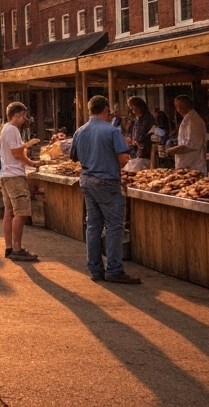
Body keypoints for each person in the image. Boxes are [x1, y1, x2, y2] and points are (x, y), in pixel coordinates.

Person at [71, 95, 141, 284]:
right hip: (106, 181)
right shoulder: (111, 130)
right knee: (113, 226)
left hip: (87, 180)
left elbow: (74, 157)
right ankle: (114, 270)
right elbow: (124, 159)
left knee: (93, 226)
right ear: (106, 111)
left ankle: (95, 269)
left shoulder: (80, 131)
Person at [0, 101, 43, 261]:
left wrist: (25, 145)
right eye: (24, 116)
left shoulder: (7, 129)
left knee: (9, 212)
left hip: (6, 175)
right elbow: (17, 154)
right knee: (22, 212)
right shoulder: (12, 130)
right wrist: (32, 163)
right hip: (14, 176)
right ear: (16, 115)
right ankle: (16, 248)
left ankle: (10, 247)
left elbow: (16, 151)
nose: (25, 119)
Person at [167, 95, 209, 172]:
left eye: (177, 105)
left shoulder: (193, 121)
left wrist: (170, 151)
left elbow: (190, 145)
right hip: (186, 163)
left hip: (193, 164)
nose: (176, 108)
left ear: (184, 105)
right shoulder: (188, 118)